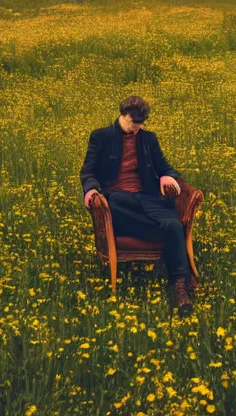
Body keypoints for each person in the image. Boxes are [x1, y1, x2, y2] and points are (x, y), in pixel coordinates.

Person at [81, 95, 193, 316]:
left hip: (146, 198)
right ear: (122, 115)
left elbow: (164, 166)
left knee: (173, 224)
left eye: (140, 124)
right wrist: (91, 189)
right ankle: (165, 235)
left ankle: (179, 286)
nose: (136, 128)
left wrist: (166, 177)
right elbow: (88, 171)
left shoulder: (148, 139)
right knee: (116, 201)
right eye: (133, 122)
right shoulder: (101, 136)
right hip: (118, 200)